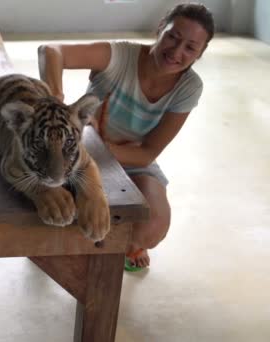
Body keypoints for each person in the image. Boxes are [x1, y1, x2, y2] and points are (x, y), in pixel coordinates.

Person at [37, 3, 214, 271]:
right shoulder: (120, 56)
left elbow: (147, 153)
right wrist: (55, 100)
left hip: (129, 157)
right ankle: (79, 247)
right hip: (83, 151)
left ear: (200, 54)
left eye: (190, 47)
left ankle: (118, 246)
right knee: (54, 202)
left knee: (153, 225)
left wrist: (106, 147)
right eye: (173, 37)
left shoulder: (189, 87)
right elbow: (51, 51)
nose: (177, 52)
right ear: (160, 29)